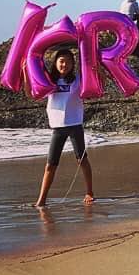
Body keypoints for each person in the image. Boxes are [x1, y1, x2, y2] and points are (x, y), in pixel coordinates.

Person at [34, 49, 94, 207]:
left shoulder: (77, 80)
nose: (64, 64)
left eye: (68, 61)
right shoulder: (48, 81)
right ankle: (41, 200)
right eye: (61, 61)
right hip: (58, 127)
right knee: (50, 164)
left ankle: (90, 192)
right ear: (55, 63)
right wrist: (26, 72)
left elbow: (94, 87)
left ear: (73, 64)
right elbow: (32, 92)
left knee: (81, 159)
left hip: (74, 125)